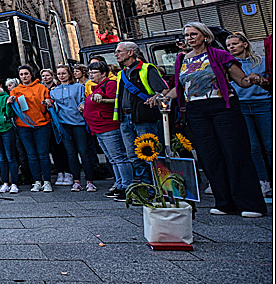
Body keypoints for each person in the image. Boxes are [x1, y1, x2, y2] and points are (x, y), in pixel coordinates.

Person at [159, 23, 266, 218]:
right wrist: (164, 97)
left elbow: (241, 80)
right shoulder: (182, 59)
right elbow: (181, 87)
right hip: (196, 111)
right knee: (209, 157)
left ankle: (250, 204)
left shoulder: (219, 54)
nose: (189, 38)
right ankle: (225, 203)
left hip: (223, 108)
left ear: (205, 36)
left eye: (193, 34)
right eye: (186, 35)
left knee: (235, 153)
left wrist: (252, 79)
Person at [112, 41, 166, 197]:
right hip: (125, 118)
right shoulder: (121, 74)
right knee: (133, 156)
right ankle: (145, 187)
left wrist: (156, 97)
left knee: (150, 154)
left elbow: (163, 90)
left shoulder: (147, 69)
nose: (116, 54)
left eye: (119, 51)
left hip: (143, 117)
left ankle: (158, 189)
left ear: (130, 53)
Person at [226, 32, 273, 197]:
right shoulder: (230, 65)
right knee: (253, 147)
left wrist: (261, 81)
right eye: (229, 45)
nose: (231, 47)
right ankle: (263, 181)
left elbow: (269, 81)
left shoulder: (261, 61)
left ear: (245, 44)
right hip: (242, 105)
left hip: (263, 103)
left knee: (270, 145)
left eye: (235, 44)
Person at [52, 64, 97, 192]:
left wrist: (82, 105)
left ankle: (89, 181)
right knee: (71, 153)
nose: (61, 76)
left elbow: (83, 99)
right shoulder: (54, 91)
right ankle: (76, 181)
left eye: (63, 73)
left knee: (83, 151)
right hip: (64, 124)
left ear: (69, 74)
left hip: (79, 123)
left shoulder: (79, 87)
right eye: (59, 74)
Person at [9, 65, 54, 191]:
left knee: (43, 154)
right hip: (24, 126)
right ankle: (37, 181)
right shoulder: (15, 91)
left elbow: (48, 100)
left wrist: (49, 102)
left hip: (41, 125)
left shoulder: (41, 87)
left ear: (31, 74)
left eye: (26, 74)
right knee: (31, 155)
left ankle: (47, 181)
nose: (24, 76)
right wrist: (10, 102)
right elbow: (12, 110)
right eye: (21, 74)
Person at [83, 61, 122, 193]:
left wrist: (103, 99)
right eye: (90, 73)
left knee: (118, 158)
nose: (91, 75)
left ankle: (125, 186)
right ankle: (119, 183)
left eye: (94, 72)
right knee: (112, 159)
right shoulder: (96, 86)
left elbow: (116, 101)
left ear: (104, 73)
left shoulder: (110, 84)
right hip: (99, 128)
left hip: (108, 127)